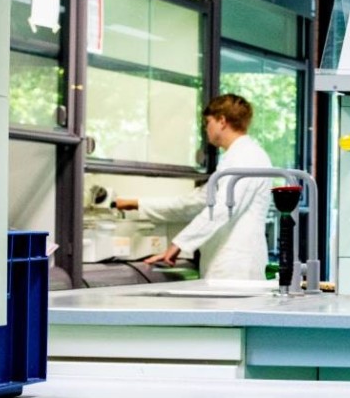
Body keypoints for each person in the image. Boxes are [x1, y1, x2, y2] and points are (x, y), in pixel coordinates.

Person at [114, 94, 275, 281]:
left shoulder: (247, 157)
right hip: (224, 265)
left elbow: (223, 208)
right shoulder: (234, 158)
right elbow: (195, 202)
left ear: (222, 121)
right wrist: (136, 204)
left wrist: (179, 244)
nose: (206, 129)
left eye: (208, 122)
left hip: (237, 267)